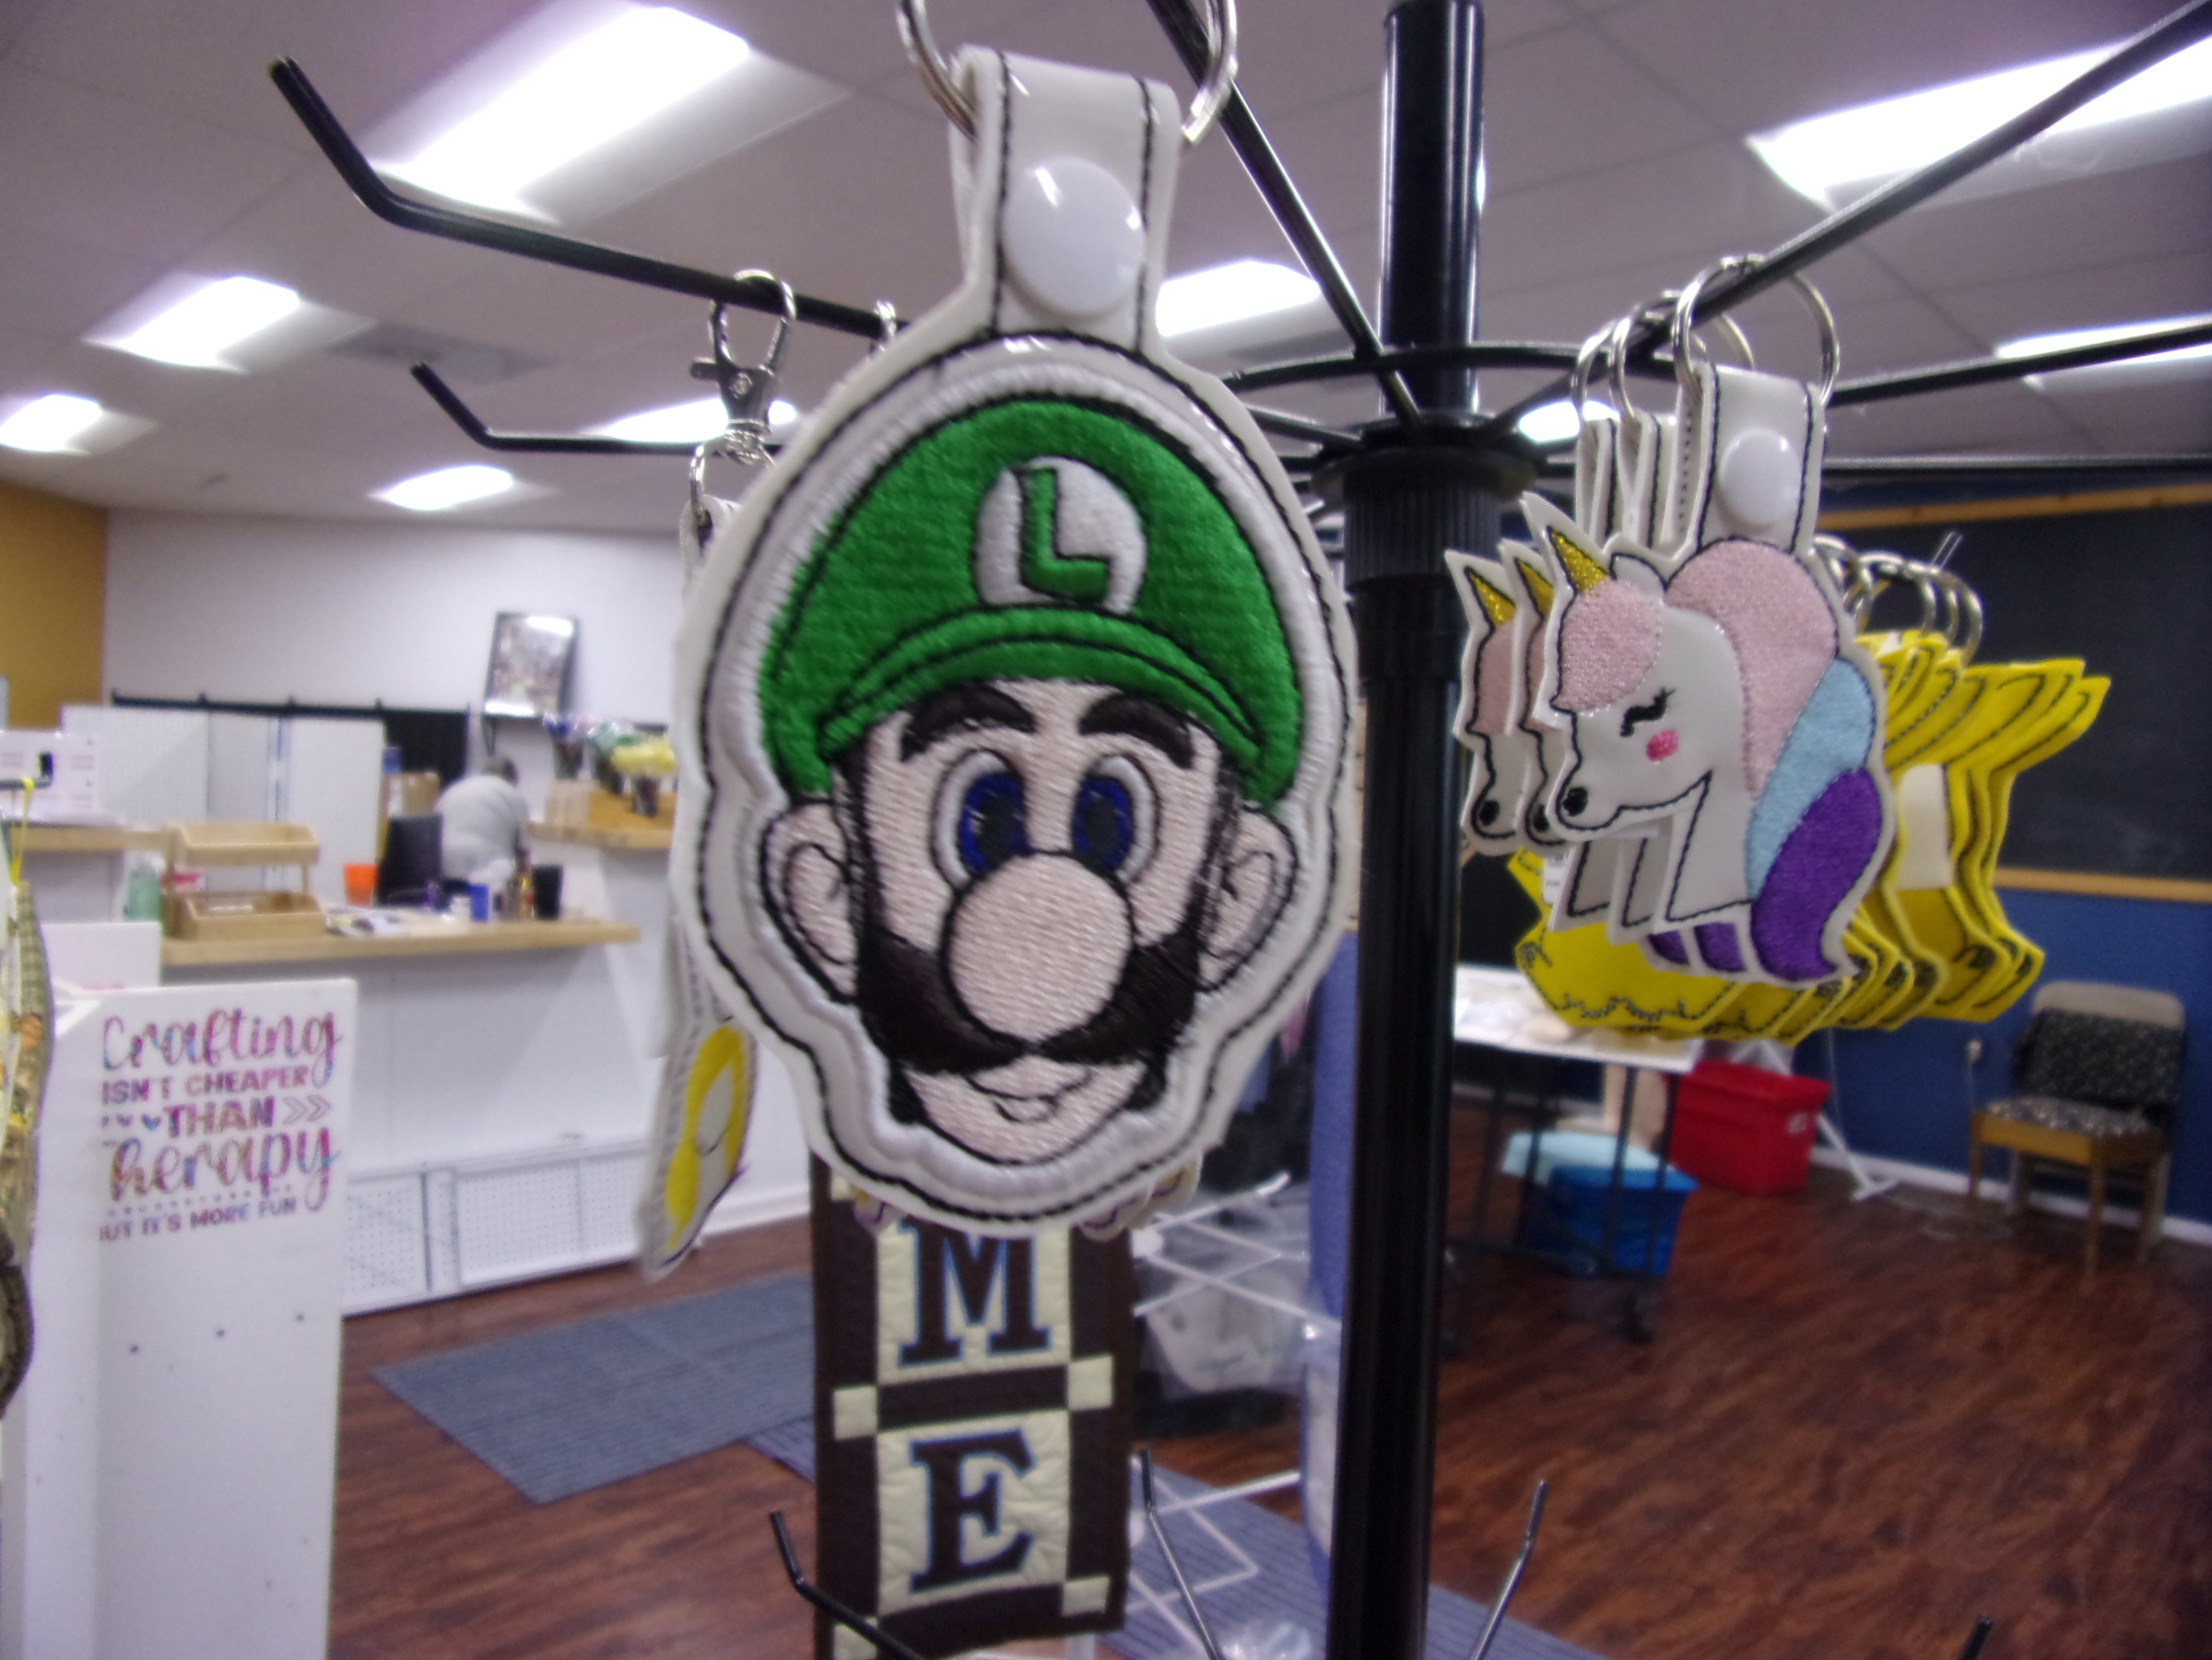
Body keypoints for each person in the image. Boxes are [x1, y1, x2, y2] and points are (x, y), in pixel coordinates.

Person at [436, 756, 531, 884]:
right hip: (488, 864)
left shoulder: (455, 788)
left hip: (444, 859)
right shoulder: (514, 796)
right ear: (512, 780)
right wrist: (524, 888)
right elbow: (524, 856)